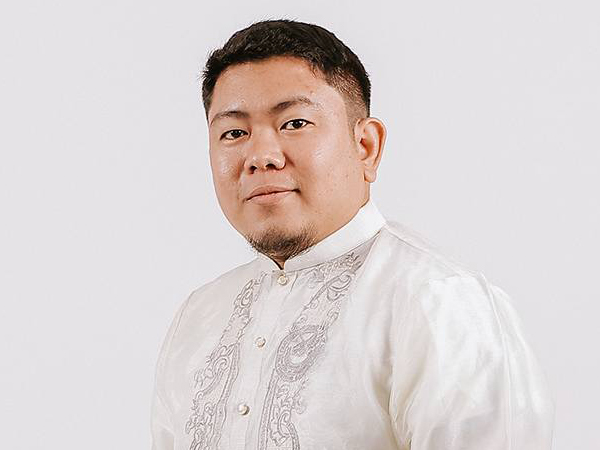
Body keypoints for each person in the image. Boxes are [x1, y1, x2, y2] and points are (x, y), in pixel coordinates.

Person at [151, 19, 554, 450]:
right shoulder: (199, 318)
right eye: (234, 133)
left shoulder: (438, 303)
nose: (261, 156)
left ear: (366, 146)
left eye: (294, 123)